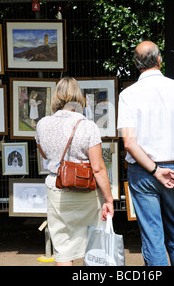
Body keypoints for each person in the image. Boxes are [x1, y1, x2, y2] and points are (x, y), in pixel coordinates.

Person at [117, 40, 174, 266]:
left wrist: (155, 170)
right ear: (159, 60)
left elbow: (129, 143)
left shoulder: (128, 95)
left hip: (143, 172)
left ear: (137, 64)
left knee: (153, 237)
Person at [35, 76, 114, 266]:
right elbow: (98, 168)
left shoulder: (42, 124)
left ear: (56, 97)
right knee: (93, 246)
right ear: (78, 97)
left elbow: (44, 156)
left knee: (63, 249)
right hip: (86, 193)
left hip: (57, 191)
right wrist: (109, 199)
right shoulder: (88, 126)